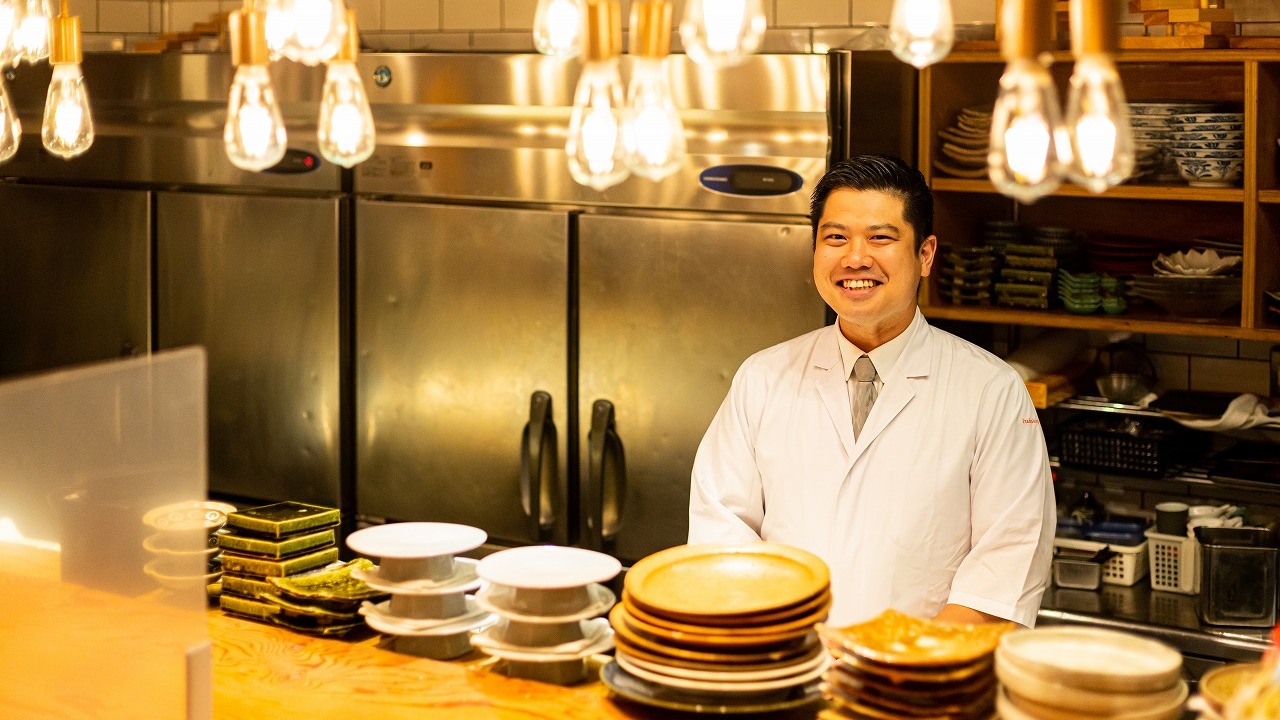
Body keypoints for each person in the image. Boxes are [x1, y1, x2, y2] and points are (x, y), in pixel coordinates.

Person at [688, 155, 1055, 628]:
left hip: (920, 681)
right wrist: (788, 647)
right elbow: (721, 538)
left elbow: (1007, 565)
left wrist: (895, 662)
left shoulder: (991, 390)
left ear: (925, 255)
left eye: (880, 238)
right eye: (835, 237)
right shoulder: (762, 377)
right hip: (785, 667)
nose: (855, 258)